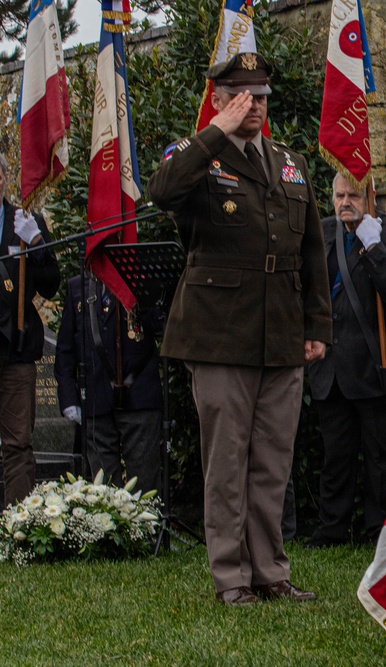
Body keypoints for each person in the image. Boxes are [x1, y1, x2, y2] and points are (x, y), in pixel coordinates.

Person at [147, 52, 332, 606]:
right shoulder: (196, 156)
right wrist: (216, 133)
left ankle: (270, 570)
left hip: (281, 332)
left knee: (272, 461)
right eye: (243, 96)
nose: (256, 106)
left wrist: (317, 324)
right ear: (222, 99)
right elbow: (162, 191)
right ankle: (232, 577)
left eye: (262, 96)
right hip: (219, 333)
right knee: (226, 462)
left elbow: (312, 252)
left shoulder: (289, 162)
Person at [305, 173, 386, 548]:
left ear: (370, 195)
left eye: (352, 195)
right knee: (335, 456)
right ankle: (332, 529)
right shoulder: (322, 232)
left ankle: (381, 531)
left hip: (378, 364)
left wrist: (374, 248)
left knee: (383, 460)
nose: (344, 203)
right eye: (338, 195)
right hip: (332, 365)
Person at [54, 274, 164, 493]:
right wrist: (69, 398)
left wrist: (141, 295)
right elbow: (66, 350)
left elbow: (161, 326)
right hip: (97, 399)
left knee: (144, 487)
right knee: (103, 491)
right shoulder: (78, 286)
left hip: (139, 397)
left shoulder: (141, 280)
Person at [0, 153, 60, 507]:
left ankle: (16, 525)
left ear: (5, 178)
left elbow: (51, 285)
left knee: (18, 443)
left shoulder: (26, 222)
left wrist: (37, 245)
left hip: (16, 350)